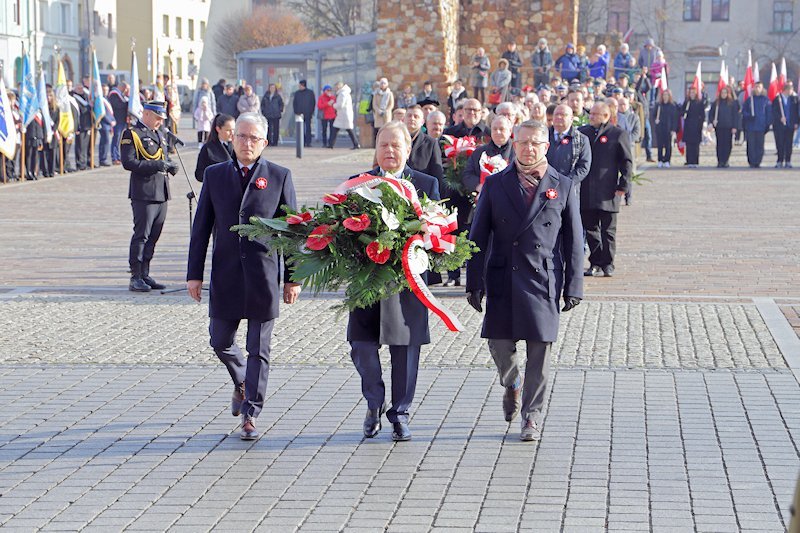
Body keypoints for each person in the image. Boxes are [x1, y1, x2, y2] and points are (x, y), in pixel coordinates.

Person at [465, 119, 583, 441]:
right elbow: (478, 237)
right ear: (513, 145)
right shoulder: (495, 184)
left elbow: (574, 240)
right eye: (523, 142)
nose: (529, 148)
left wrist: (574, 285)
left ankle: (531, 416)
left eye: (535, 143)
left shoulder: (564, 185)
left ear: (546, 146)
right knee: (499, 345)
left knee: (540, 351)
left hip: (542, 279)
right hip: (503, 276)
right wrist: (473, 281)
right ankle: (512, 382)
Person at [187, 112, 301, 441]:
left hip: (263, 275)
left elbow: (293, 230)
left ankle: (251, 412)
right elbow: (201, 228)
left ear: (264, 143)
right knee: (219, 340)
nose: (246, 143)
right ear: (231, 138)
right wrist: (194, 274)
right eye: (241, 136)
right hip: (225, 274)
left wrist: (292, 277)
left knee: (259, 349)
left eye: (254, 138)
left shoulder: (279, 176)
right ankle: (241, 382)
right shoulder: (215, 174)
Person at [346, 121, 439, 442]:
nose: (389, 151)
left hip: (406, 283)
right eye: (384, 145)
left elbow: (438, 234)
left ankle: (399, 414)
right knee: (361, 348)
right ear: (375, 149)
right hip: (367, 281)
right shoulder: (357, 185)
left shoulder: (425, 185)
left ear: (408, 150)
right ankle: (374, 401)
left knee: (406, 351)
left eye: (396, 145)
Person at [120, 101, 178, 292]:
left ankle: (145, 273)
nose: (160, 122)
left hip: (161, 191)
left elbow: (162, 157)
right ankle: (135, 276)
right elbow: (128, 162)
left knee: (154, 236)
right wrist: (156, 166)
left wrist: (169, 166)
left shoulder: (158, 134)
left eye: (162, 119)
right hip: (143, 192)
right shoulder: (132, 134)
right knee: (142, 235)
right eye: (157, 118)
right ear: (146, 114)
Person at [578, 102, 632, 278]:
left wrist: (624, 185)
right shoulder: (583, 133)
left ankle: (608, 263)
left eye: (595, 114)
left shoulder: (618, 134)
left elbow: (626, 162)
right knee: (591, 229)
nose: (591, 116)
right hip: (586, 189)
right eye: (591, 113)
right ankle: (595, 262)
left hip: (609, 190)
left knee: (608, 231)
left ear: (606, 116)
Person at [442, 98, 490, 287]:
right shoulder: (450, 132)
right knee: (453, 232)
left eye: (476, 110)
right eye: (468, 109)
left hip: (478, 192)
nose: (472, 113)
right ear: (462, 111)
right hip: (455, 191)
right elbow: (443, 160)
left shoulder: (486, 133)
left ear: (481, 112)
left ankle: (473, 275)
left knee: (473, 234)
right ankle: (452, 274)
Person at [462, 115, 515, 196]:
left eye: (501, 129)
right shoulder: (479, 152)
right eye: (494, 129)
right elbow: (467, 175)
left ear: (510, 130)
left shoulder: (517, 152)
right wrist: (480, 186)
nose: (498, 132)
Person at [547, 104, 591, 185]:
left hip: (569, 188)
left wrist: (565, 183)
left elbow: (583, 167)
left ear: (571, 119)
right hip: (544, 185)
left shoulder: (581, 139)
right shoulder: (544, 136)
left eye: (563, 115)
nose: (559, 117)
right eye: (556, 114)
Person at [405, 105, 443, 180]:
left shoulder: (431, 143)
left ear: (422, 121)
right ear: (403, 119)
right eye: (409, 116)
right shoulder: (395, 140)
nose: (412, 119)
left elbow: (437, 172)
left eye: (416, 116)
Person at [194, 113, 234, 181]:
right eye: (228, 130)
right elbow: (199, 174)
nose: (232, 133)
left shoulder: (237, 145)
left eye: (233, 129)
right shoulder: (208, 148)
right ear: (218, 129)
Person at [709, 86, 740, 168]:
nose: (723, 94)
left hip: (729, 127)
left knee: (728, 144)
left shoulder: (732, 103)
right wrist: (712, 122)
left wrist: (735, 126)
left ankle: (726, 160)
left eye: (725, 93)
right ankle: (720, 161)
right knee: (720, 144)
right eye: (722, 93)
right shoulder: (716, 103)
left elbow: (735, 116)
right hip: (719, 127)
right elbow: (711, 114)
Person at [742, 82, 771, 168]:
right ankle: (751, 161)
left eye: (759, 87)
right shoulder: (749, 99)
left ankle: (758, 161)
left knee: (759, 145)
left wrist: (768, 124)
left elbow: (769, 113)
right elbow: (744, 111)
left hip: (761, 126)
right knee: (751, 145)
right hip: (751, 126)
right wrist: (748, 116)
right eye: (756, 87)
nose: (757, 89)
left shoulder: (766, 100)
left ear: (762, 89)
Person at [772, 81, 800, 168]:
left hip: (790, 125)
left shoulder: (794, 99)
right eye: (791, 90)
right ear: (786, 90)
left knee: (789, 143)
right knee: (780, 143)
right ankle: (780, 160)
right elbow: (774, 111)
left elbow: (796, 112)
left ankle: (788, 160)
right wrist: (779, 117)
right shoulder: (777, 99)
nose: (792, 91)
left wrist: (796, 122)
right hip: (779, 126)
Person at [652, 89, 679, 167]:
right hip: (660, 128)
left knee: (668, 146)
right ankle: (660, 160)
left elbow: (675, 119)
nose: (665, 97)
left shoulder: (673, 106)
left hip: (669, 128)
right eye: (664, 95)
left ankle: (667, 160)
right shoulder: (659, 105)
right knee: (660, 145)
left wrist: (674, 129)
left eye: (667, 95)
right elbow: (654, 115)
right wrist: (655, 120)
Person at [329, 82, 360, 150]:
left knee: (347, 129)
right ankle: (331, 144)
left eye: (336, 86)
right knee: (337, 129)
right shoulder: (343, 93)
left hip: (344, 115)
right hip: (342, 115)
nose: (335, 88)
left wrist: (333, 105)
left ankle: (356, 144)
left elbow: (340, 105)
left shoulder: (343, 93)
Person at [681, 86, 706, 167]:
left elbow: (702, 115)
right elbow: (682, 113)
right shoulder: (686, 102)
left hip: (696, 125)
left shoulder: (699, 103)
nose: (692, 94)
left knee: (695, 145)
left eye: (693, 92)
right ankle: (689, 161)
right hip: (688, 125)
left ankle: (695, 161)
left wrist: (700, 125)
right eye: (690, 92)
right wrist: (685, 111)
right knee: (689, 145)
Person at [107, 82, 129, 165]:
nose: (126, 90)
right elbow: (117, 105)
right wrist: (127, 104)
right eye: (125, 88)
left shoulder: (121, 95)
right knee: (116, 139)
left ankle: (118, 156)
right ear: (122, 87)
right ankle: (114, 157)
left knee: (119, 140)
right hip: (117, 120)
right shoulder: (114, 94)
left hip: (122, 120)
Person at [42, 85, 60, 177]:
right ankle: (45, 171)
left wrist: (53, 130)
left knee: (53, 153)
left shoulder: (56, 108)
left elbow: (57, 121)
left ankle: (51, 171)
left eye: (50, 96)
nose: (48, 98)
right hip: (45, 133)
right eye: (47, 96)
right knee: (44, 153)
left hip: (52, 133)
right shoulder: (43, 109)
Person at [97, 86, 116, 166]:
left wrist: (113, 120)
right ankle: (102, 159)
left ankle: (103, 158)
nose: (105, 91)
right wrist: (110, 121)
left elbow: (110, 111)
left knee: (106, 141)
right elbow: (102, 114)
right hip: (104, 124)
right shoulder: (100, 100)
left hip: (109, 124)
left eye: (107, 90)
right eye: (104, 90)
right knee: (105, 141)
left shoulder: (107, 99)